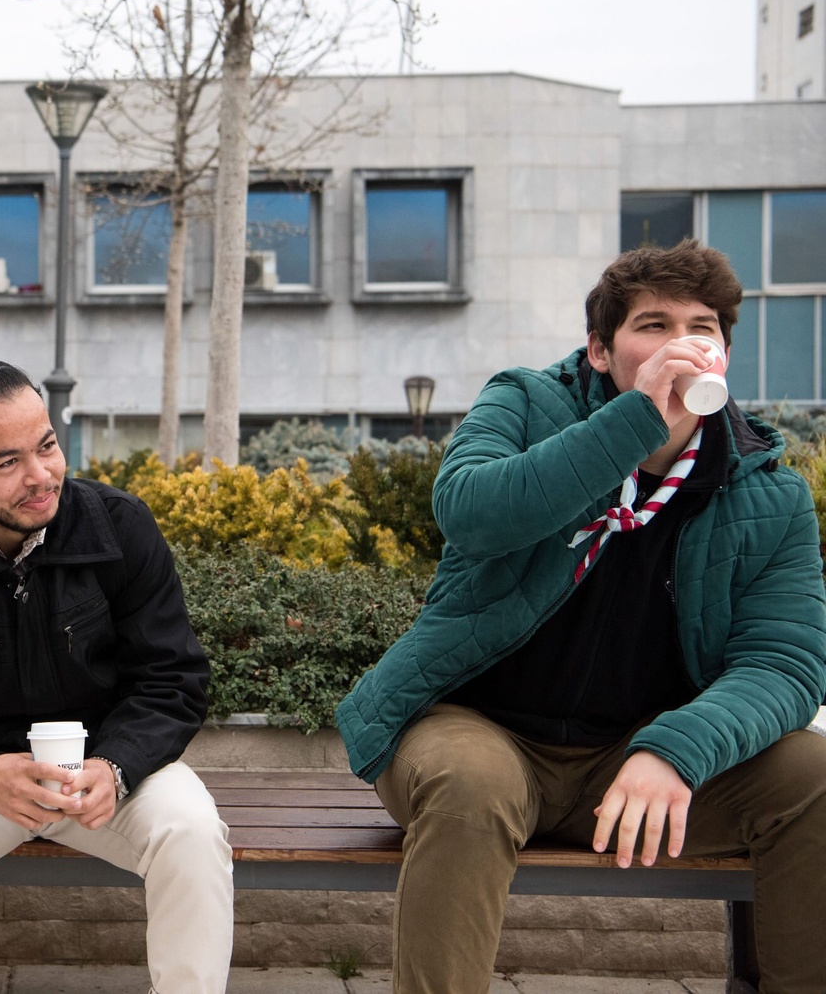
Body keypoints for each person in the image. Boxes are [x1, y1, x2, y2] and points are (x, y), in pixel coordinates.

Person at [338, 240, 826, 993]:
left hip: (635, 762)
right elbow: (470, 512)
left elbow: (785, 665)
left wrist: (675, 750)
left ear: (725, 354)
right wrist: (633, 424)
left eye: (702, 328)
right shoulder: (527, 403)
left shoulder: (770, 493)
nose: (680, 346)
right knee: (471, 786)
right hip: (480, 728)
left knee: (812, 771)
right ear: (601, 351)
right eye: (652, 326)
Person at [0, 359, 234, 994]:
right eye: (7, 462)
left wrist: (119, 765)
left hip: (105, 769)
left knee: (191, 830)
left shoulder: (120, 525)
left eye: (46, 446)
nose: (40, 475)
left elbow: (173, 677)